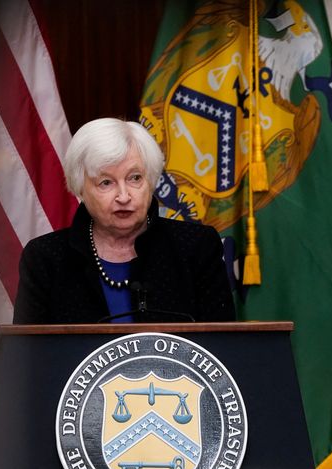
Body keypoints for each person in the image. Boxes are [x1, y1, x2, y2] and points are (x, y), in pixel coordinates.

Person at [13, 117, 235, 324]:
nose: (124, 196)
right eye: (106, 182)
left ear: (151, 179)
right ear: (80, 188)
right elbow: (29, 358)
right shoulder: (46, 258)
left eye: (135, 178)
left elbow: (222, 350)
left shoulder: (195, 248)